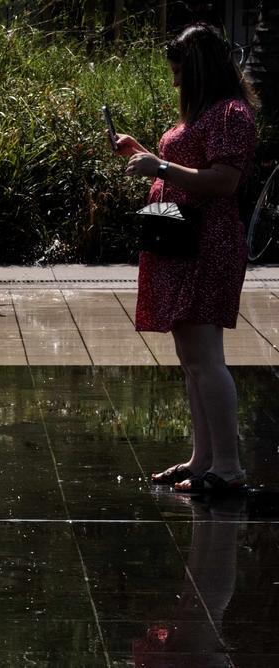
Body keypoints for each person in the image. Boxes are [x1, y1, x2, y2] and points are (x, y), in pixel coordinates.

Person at [113, 23, 257, 493]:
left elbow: (223, 181)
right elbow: (188, 170)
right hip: (180, 237)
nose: (175, 83)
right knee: (191, 358)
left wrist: (160, 166)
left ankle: (228, 469)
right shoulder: (208, 113)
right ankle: (203, 460)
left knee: (206, 358)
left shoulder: (230, 114)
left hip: (205, 243)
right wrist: (144, 154)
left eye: (180, 73)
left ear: (199, 70)